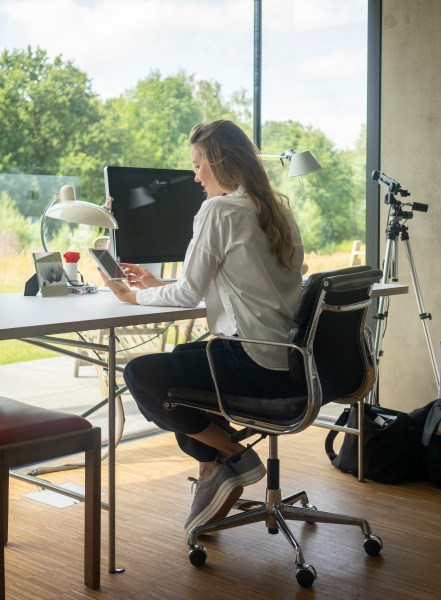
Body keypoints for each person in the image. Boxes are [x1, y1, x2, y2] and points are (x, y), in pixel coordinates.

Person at [98, 119, 305, 534]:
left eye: (198, 165)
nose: (194, 176)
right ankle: (211, 470)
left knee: (141, 375)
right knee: (179, 359)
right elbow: (231, 281)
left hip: (253, 361)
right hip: (289, 362)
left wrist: (131, 296)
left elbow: (188, 297)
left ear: (219, 163)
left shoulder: (220, 209)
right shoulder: (272, 209)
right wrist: (159, 284)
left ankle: (233, 455)